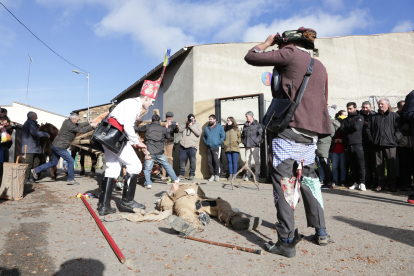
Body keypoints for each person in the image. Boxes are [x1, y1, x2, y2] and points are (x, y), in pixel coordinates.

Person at [245, 27, 332, 257]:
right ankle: (321, 232)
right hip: (311, 133)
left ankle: (285, 241)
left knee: (284, 183)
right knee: (310, 181)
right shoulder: (319, 65)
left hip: (289, 130)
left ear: (288, 42)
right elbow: (323, 99)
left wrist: (265, 42)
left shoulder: (290, 53)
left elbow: (251, 56)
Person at [97, 92, 155, 216]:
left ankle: (104, 205)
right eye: (152, 101)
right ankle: (127, 202)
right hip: (115, 136)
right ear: (146, 98)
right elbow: (128, 127)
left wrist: (133, 141)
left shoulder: (129, 103)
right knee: (135, 166)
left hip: (108, 136)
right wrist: (136, 142)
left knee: (113, 168)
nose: (152, 104)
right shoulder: (134, 104)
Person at [31, 112, 94, 185]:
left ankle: (36, 170)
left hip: (55, 145)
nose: (78, 121)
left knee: (53, 162)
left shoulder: (68, 122)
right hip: (60, 147)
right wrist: (91, 126)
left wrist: (88, 122)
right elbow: (81, 130)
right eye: (77, 120)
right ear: (73, 119)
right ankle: (71, 179)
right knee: (70, 161)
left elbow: (79, 125)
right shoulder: (69, 125)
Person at [365, 99, 402, 192]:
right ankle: (381, 184)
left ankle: (392, 184)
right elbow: (368, 130)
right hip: (377, 145)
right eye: (379, 104)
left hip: (390, 145)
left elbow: (399, 130)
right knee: (378, 166)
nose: (380, 105)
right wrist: (372, 140)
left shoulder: (394, 116)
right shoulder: (374, 117)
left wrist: (395, 139)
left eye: (382, 104)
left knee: (391, 166)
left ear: (387, 105)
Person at [135, 114, 180, 189]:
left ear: (152, 120)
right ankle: (175, 179)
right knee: (167, 166)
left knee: (147, 169)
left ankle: (148, 183)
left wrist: (134, 121)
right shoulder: (162, 128)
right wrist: (166, 128)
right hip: (159, 152)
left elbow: (136, 129)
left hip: (149, 152)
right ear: (159, 121)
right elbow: (168, 136)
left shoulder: (147, 126)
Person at [339, 102, 366, 191]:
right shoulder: (345, 120)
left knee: (360, 165)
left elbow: (357, 127)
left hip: (358, 144)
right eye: (348, 109)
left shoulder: (360, 117)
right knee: (352, 165)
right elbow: (341, 130)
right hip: (348, 145)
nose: (349, 110)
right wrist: (350, 127)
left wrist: (348, 127)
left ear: (355, 108)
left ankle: (362, 183)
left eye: (350, 108)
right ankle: (355, 182)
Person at [21, 112, 50, 185]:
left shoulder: (29, 123)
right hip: (30, 147)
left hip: (34, 147)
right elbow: (34, 132)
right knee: (29, 163)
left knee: (37, 161)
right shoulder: (30, 123)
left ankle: (31, 177)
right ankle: (26, 179)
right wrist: (45, 134)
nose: (37, 118)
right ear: (32, 117)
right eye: (36, 116)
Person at [316, 109, 340, 188]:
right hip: (321, 143)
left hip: (324, 144)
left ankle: (328, 182)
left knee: (324, 163)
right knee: (323, 163)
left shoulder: (329, 122)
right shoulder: (327, 122)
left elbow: (330, 133)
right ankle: (327, 182)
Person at [178, 114, 202, 180]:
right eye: (189, 118)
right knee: (181, 160)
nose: (191, 120)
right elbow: (179, 130)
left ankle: (192, 174)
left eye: (192, 118)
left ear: (194, 118)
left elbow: (198, 133)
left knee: (192, 161)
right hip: (183, 145)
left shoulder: (197, 125)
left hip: (192, 146)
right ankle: (181, 174)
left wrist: (191, 126)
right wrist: (185, 124)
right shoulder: (185, 124)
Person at [241, 111, 263, 181]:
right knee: (247, 162)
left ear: (251, 116)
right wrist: (244, 142)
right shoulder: (245, 124)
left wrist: (255, 141)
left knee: (257, 161)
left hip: (255, 146)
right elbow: (243, 135)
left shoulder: (257, 124)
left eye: (247, 116)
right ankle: (248, 175)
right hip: (247, 146)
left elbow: (260, 135)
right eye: (246, 116)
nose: (246, 117)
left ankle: (256, 175)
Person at [396, 100, 413, 191]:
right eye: (402, 106)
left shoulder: (410, 115)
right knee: (403, 164)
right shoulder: (397, 116)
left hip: (411, 142)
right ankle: (403, 183)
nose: (404, 108)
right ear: (398, 107)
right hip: (402, 142)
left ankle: (409, 182)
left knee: (410, 164)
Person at [203, 114, 225, 181]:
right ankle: (212, 175)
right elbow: (204, 136)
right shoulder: (207, 128)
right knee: (209, 162)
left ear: (215, 120)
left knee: (216, 161)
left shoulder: (220, 127)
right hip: (209, 147)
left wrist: (218, 142)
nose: (210, 120)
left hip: (216, 147)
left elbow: (223, 136)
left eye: (211, 119)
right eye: (209, 119)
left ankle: (217, 175)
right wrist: (206, 142)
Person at [361, 101, 377, 189]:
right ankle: (367, 181)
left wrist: (369, 124)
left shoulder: (374, 116)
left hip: (372, 143)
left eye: (366, 107)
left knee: (373, 163)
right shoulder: (359, 116)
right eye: (363, 107)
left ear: (370, 108)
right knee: (365, 163)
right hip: (362, 142)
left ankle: (374, 181)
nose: (365, 109)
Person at [161, 111, 179, 181]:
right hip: (163, 143)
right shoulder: (163, 123)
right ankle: (163, 174)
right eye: (168, 118)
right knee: (163, 159)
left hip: (170, 143)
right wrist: (166, 127)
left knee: (170, 159)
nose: (169, 119)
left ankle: (170, 175)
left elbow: (176, 131)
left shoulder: (173, 124)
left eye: (171, 118)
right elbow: (162, 132)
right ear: (166, 118)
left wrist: (176, 126)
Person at [331, 111, 347, 186]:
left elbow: (347, 137)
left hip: (343, 149)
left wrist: (343, 140)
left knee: (342, 167)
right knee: (334, 166)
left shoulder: (345, 127)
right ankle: (335, 180)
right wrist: (334, 140)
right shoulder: (334, 126)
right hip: (335, 150)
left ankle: (343, 180)